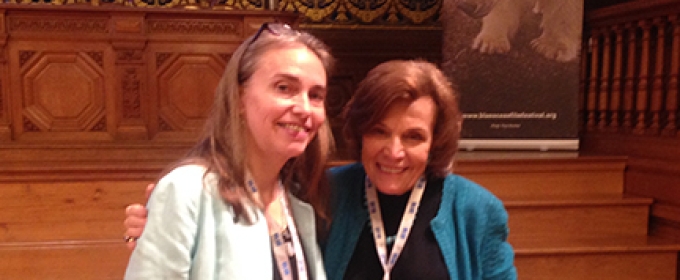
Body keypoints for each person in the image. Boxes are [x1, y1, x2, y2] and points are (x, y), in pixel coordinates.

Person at [125, 60, 517, 279]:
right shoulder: (322, 191)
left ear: (435, 143)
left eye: (413, 137)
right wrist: (164, 225)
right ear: (360, 133)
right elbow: (252, 231)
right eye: (379, 131)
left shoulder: (477, 212)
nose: (394, 152)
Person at [123, 22, 334, 279]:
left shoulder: (300, 207)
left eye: (315, 95)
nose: (304, 108)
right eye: (284, 88)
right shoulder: (187, 190)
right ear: (239, 99)